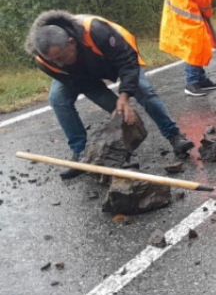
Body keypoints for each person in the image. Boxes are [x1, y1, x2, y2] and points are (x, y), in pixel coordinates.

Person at [25, 10, 195, 179]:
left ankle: (174, 136)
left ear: (71, 42)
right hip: (82, 74)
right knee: (57, 99)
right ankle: (82, 155)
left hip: (113, 60)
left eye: (60, 57)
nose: (58, 64)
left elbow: (127, 62)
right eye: (53, 60)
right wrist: (119, 109)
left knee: (143, 90)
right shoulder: (44, 61)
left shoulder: (96, 31)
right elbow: (89, 87)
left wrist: (125, 96)